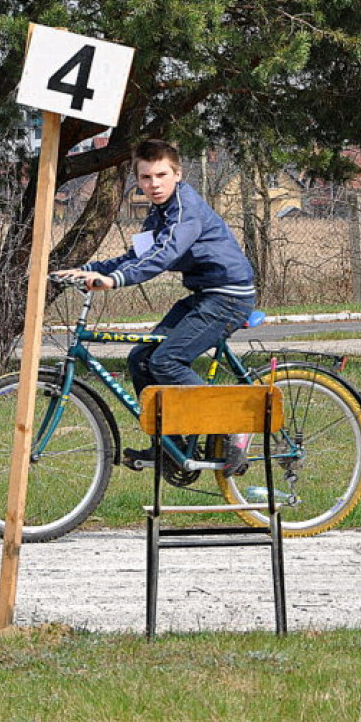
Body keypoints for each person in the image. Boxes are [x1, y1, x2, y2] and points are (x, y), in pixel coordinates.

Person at [53, 139, 256, 473]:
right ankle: (170, 447)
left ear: (178, 173)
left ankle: (232, 426)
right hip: (203, 294)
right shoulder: (158, 212)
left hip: (229, 296)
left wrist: (115, 281)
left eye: (161, 175)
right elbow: (137, 256)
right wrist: (89, 270)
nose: (154, 184)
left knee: (167, 360)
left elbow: (165, 255)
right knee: (142, 360)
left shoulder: (184, 208)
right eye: (146, 178)